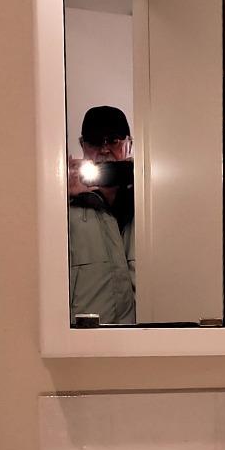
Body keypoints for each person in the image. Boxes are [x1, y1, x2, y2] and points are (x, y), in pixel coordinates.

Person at [67, 105, 136, 326]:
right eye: (95, 141)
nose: (104, 149)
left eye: (114, 140)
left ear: (129, 144)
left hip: (145, 339)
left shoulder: (150, 203)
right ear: (82, 146)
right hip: (87, 344)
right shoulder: (64, 207)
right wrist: (60, 196)